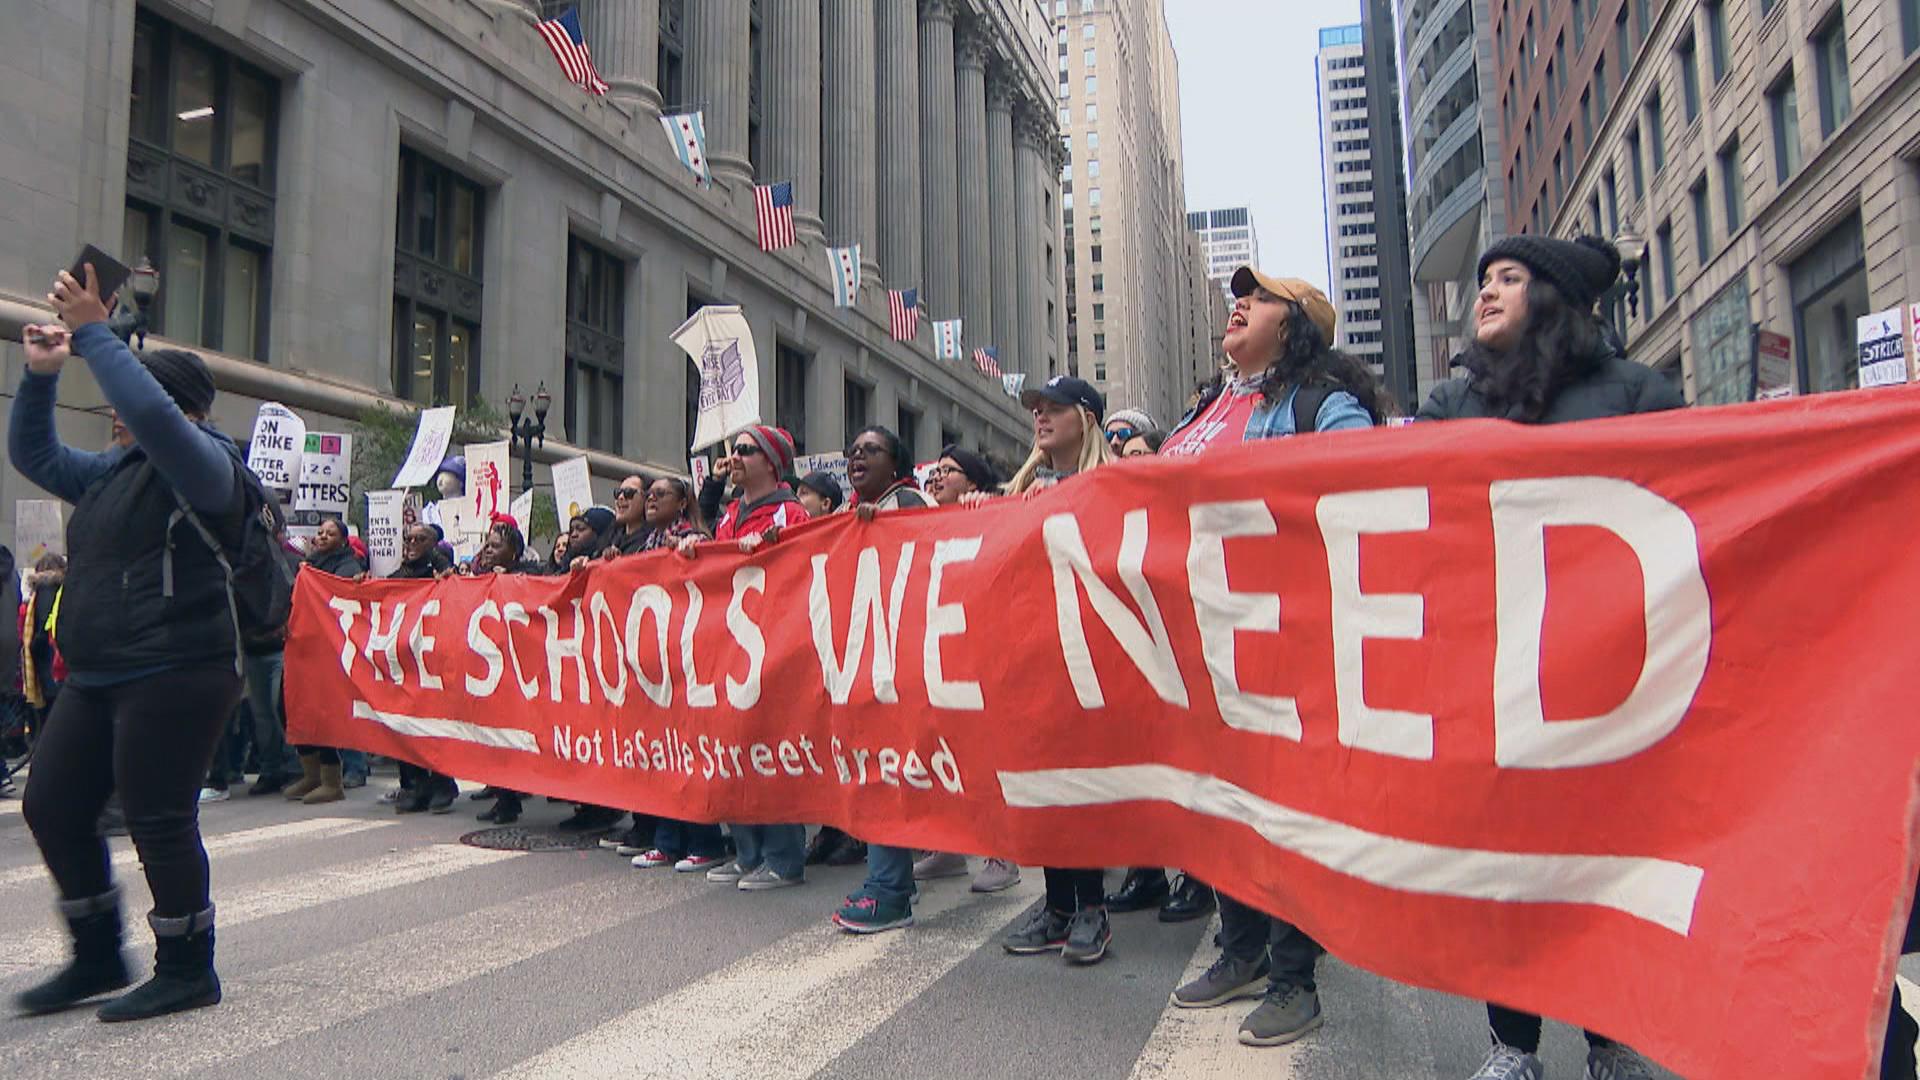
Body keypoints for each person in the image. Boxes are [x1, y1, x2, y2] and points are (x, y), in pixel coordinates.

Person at [1419, 235, 1681, 1080]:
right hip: (1495, 679)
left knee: (1604, 866)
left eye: (1509, 278)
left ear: (1555, 298)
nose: (1486, 292)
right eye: (1483, 278)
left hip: (1610, 676)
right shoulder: (1450, 403)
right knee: (1513, 870)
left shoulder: (1640, 396)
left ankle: (1611, 1037)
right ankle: (1513, 1047)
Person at [9, 266, 251, 1021]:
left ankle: (186, 965)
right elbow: (39, 460)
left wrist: (94, 332)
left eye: (131, 400)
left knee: (157, 817)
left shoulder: (205, 465)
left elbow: (151, 413)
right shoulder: (116, 472)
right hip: (101, 669)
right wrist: (43, 375)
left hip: (179, 667)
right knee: (50, 804)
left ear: (180, 410)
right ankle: (97, 955)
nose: (116, 411)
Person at [1160, 267, 1384, 1050]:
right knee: (1224, 803)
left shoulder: (1324, 404)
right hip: (1219, 642)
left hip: (1290, 645)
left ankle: (1295, 980)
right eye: (1236, 296)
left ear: (1295, 324)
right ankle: (1243, 950)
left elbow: (1365, 485)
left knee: (1283, 815)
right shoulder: (1220, 407)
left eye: (1257, 298)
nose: (1237, 305)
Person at [996, 376, 1116, 965]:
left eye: (1055, 409)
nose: (1040, 417)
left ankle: (1093, 908)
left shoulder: (1115, 487)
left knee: (1081, 784)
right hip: (1033, 653)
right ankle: (1058, 906)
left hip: (1090, 653)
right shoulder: (1020, 491)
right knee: (1044, 782)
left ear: (1087, 419)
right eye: (1036, 410)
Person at [677, 426, 809, 892]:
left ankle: (784, 857)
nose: (734, 458)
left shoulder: (791, 513)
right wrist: (697, 550)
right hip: (728, 646)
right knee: (732, 751)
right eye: (734, 450)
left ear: (771, 462)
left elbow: (801, 572)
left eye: (745, 451)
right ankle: (747, 851)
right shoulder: (732, 513)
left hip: (770, 644)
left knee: (766, 752)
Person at [828, 427, 943, 934]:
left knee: (883, 769)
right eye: (852, 451)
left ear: (896, 464)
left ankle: (890, 890)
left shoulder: (910, 502)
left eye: (870, 450)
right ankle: (890, 879)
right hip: (861, 659)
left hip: (898, 663)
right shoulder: (846, 517)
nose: (857, 457)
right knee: (873, 766)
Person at [283, 518, 365, 807]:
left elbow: (340, 596)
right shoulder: (309, 564)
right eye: (320, 532)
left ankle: (332, 781)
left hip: (329, 650)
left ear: (343, 540)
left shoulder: (348, 566)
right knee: (288, 707)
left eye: (330, 533)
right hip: (303, 646)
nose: (323, 537)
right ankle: (311, 773)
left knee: (323, 712)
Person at [387, 524, 461, 815]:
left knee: (432, 726)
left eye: (421, 538)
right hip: (405, 663)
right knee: (404, 725)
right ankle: (413, 784)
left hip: (432, 663)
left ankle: (442, 783)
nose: (413, 543)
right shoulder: (399, 575)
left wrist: (444, 572)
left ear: (434, 543)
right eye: (409, 538)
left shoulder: (443, 574)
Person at [925, 445, 1002, 508]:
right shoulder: (922, 505)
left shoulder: (981, 508)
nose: (936, 477)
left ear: (971, 483)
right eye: (936, 471)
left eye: (946, 470)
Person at [599, 476, 654, 558]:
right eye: (617, 492)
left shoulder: (652, 541)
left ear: (646, 499)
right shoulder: (609, 538)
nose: (621, 497)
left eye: (628, 492)